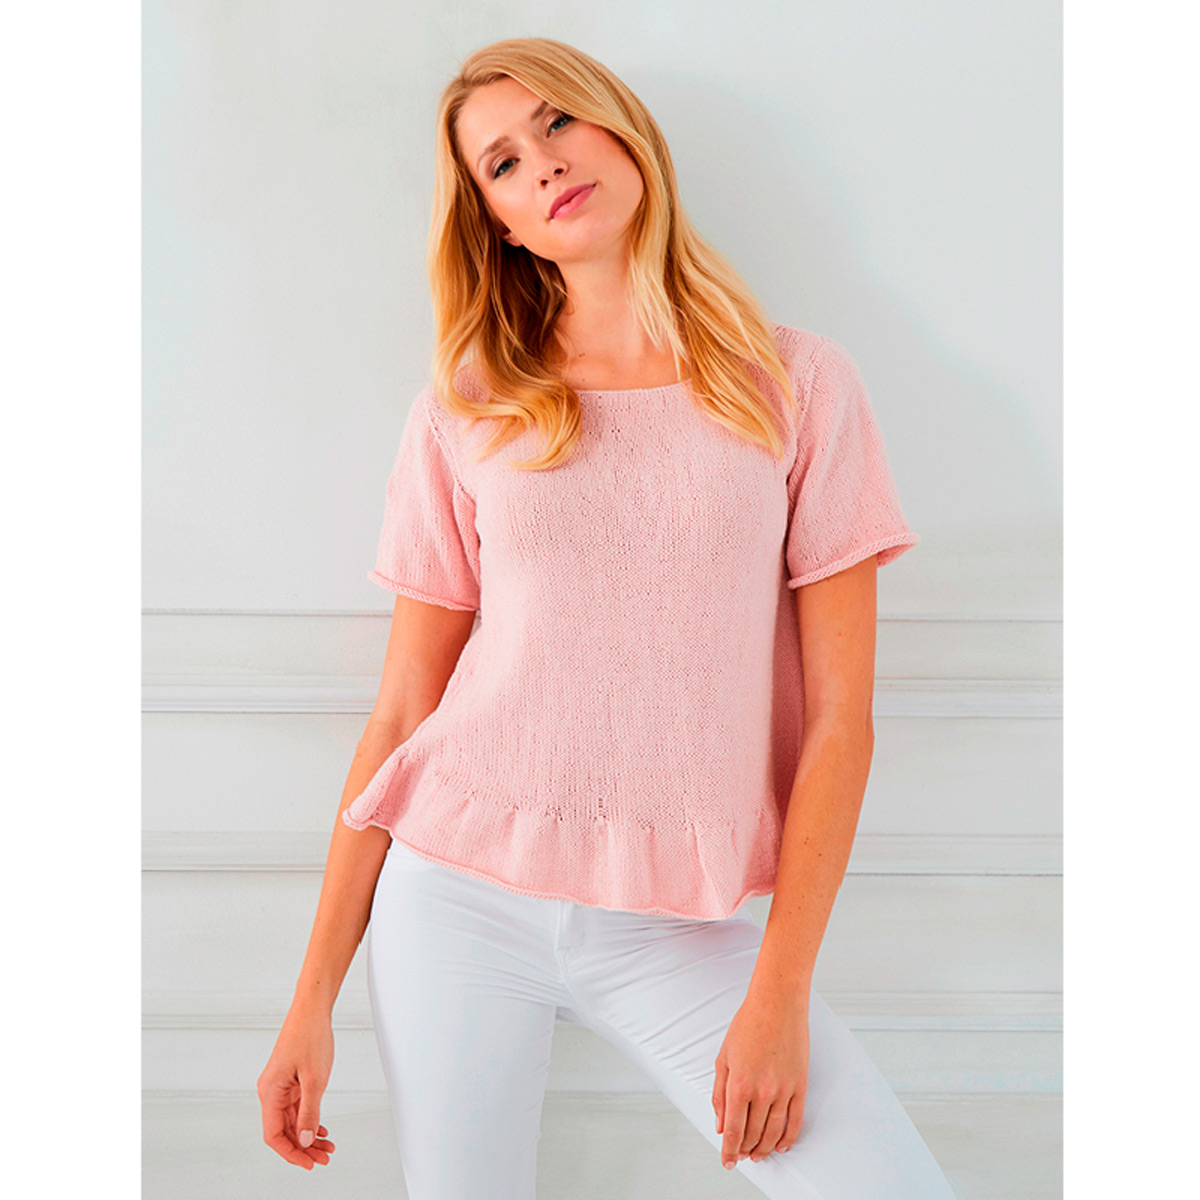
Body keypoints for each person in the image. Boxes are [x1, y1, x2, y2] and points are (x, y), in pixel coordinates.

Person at [257, 36, 958, 1199]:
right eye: (502, 164)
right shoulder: (469, 409)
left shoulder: (798, 384)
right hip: (455, 898)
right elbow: (403, 709)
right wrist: (309, 1000)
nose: (542, 163)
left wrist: (780, 994)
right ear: (499, 224)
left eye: (557, 122)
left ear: (622, 129)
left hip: (678, 926)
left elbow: (843, 721)